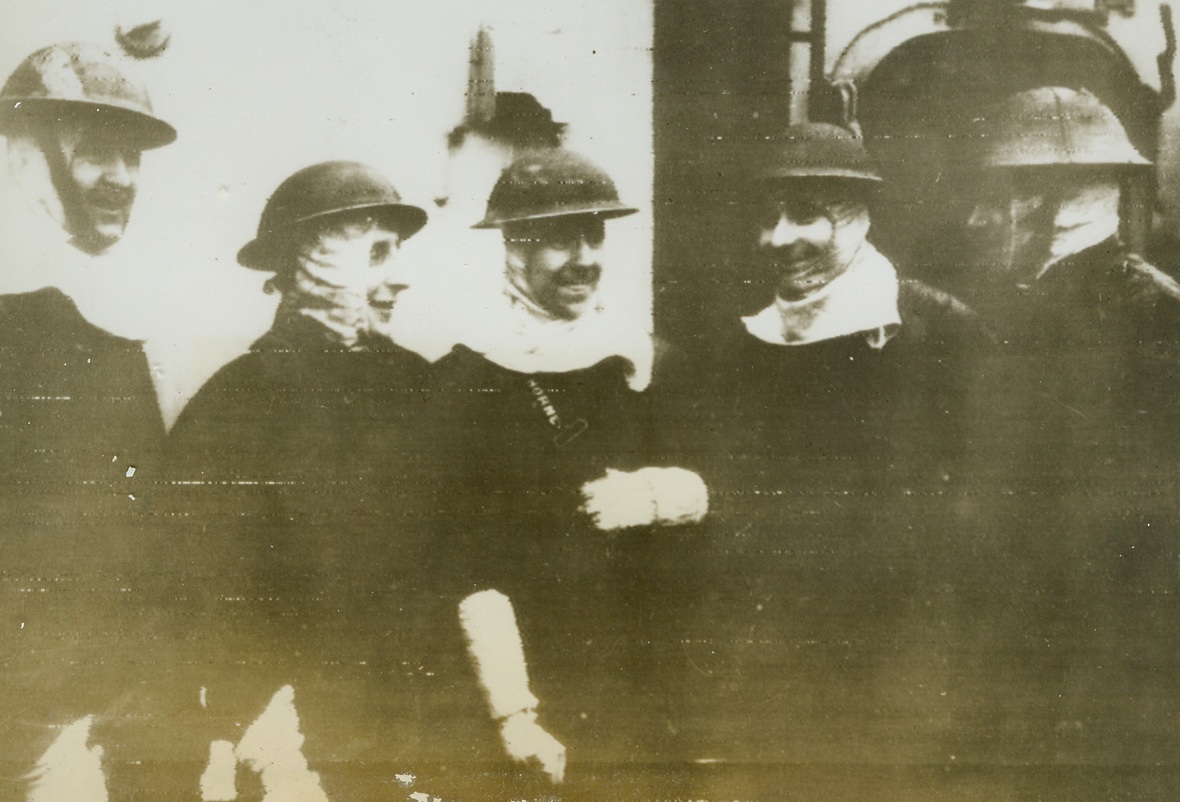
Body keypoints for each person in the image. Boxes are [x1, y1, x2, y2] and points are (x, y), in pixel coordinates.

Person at [650, 122, 993, 793]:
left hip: (897, 660)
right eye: (770, 218)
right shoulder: (737, 344)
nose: (780, 239)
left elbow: (979, 510)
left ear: (859, 214)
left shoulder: (941, 334)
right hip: (768, 659)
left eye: (805, 215)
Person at [162, 162, 497, 799]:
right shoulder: (238, 405)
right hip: (301, 744)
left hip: (428, 730)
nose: (399, 277)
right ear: (309, 264)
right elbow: (206, 597)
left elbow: (465, 559)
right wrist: (257, 728)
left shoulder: (419, 389)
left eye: (397, 253)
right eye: (376, 254)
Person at [434, 148, 707, 795]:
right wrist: (512, 712)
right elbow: (457, 558)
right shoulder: (465, 381)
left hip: (646, 677)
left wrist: (667, 495)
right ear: (515, 249)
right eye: (561, 239)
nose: (585, 258)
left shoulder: (645, 364)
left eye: (594, 236)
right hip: (534, 686)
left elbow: (726, 491)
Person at [0, 42, 176, 800]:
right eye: (96, 155)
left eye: (132, 157)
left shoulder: (102, 310)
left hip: (85, 700)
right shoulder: (17, 311)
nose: (122, 180)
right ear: (30, 157)